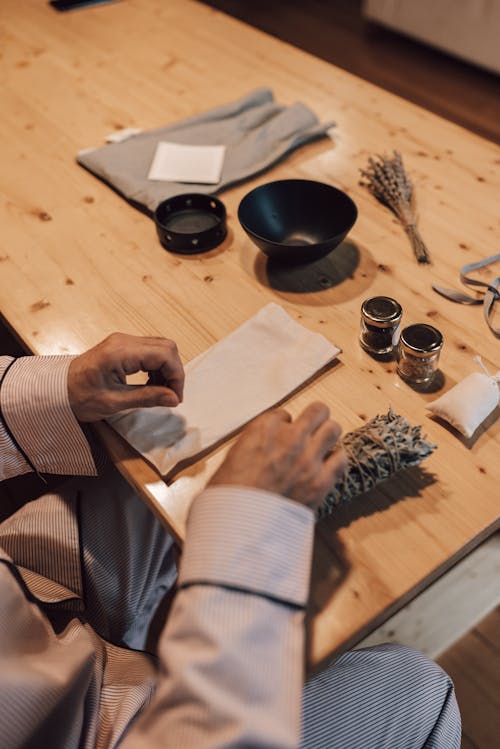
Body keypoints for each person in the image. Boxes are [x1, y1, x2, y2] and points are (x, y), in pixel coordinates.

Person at [0, 332, 461, 748]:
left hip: (29, 585)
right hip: (104, 731)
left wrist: (41, 393)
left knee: (152, 471)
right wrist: (244, 525)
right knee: (419, 690)